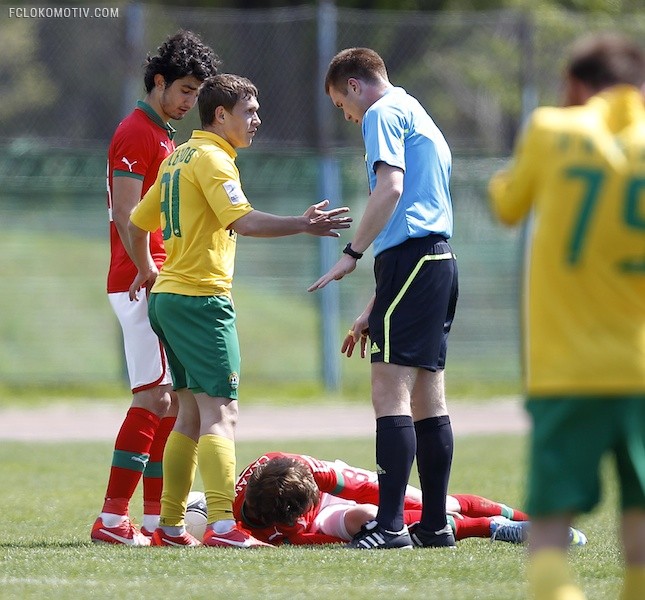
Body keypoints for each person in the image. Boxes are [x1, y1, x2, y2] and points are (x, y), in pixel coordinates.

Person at [126, 73, 352, 548]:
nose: (257, 119)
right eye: (249, 111)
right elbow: (243, 221)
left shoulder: (180, 156)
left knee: (188, 412)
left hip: (169, 298)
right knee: (221, 412)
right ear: (221, 115)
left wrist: (148, 267)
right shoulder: (211, 159)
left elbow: (137, 220)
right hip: (201, 300)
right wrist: (302, 223)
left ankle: (169, 524)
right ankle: (223, 526)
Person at [488, 33, 645, 600]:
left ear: (576, 86)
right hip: (641, 365)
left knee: (550, 522)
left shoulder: (553, 129)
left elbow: (506, 205)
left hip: (566, 368)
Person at [308, 48, 459, 550]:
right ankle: (435, 525)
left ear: (354, 85)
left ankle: (390, 525)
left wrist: (352, 252)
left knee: (388, 390)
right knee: (426, 396)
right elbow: (416, 208)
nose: (347, 116)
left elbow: (391, 189)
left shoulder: (381, 112)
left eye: (339, 105)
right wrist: (376, 305)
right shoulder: (419, 113)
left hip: (411, 261)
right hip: (436, 261)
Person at [92, 31, 220, 546]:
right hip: (138, 278)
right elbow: (126, 213)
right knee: (155, 394)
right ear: (159, 82)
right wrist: (147, 264)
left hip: (159, 276)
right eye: (186, 90)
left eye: (197, 93)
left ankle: (155, 522)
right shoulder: (138, 132)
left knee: (170, 399)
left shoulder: (164, 132)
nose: (192, 102)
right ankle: (112, 518)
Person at [232, 453, 587, 547]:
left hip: (330, 492)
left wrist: (395, 509)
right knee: (365, 518)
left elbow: (365, 486)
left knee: (438, 503)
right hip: (317, 514)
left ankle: (532, 519)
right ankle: (493, 528)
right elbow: (312, 537)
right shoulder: (279, 529)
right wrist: (382, 525)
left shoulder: (304, 469)